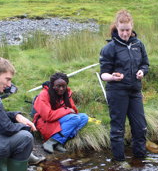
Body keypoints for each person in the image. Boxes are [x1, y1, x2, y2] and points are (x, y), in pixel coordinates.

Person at [99, 9, 150, 162]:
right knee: (118, 129)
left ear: (131, 27)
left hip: (135, 91)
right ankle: (119, 162)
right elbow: (103, 74)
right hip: (117, 91)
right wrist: (112, 77)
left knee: (140, 127)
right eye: (122, 30)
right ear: (116, 27)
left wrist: (142, 71)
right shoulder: (110, 48)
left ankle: (140, 160)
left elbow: (145, 64)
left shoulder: (138, 45)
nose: (125, 33)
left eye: (128, 30)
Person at [33, 72, 89, 153]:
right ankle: (50, 142)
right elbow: (47, 116)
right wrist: (67, 111)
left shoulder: (66, 93)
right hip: (44, 122)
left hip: (58, 119)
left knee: (84, 117)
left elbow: (74, 110)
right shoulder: (44, 94)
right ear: (53, 85)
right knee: (75, 118)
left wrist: (69, 111)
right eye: (58, 86)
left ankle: (58, 142)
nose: (61, 89)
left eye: (64, 86)